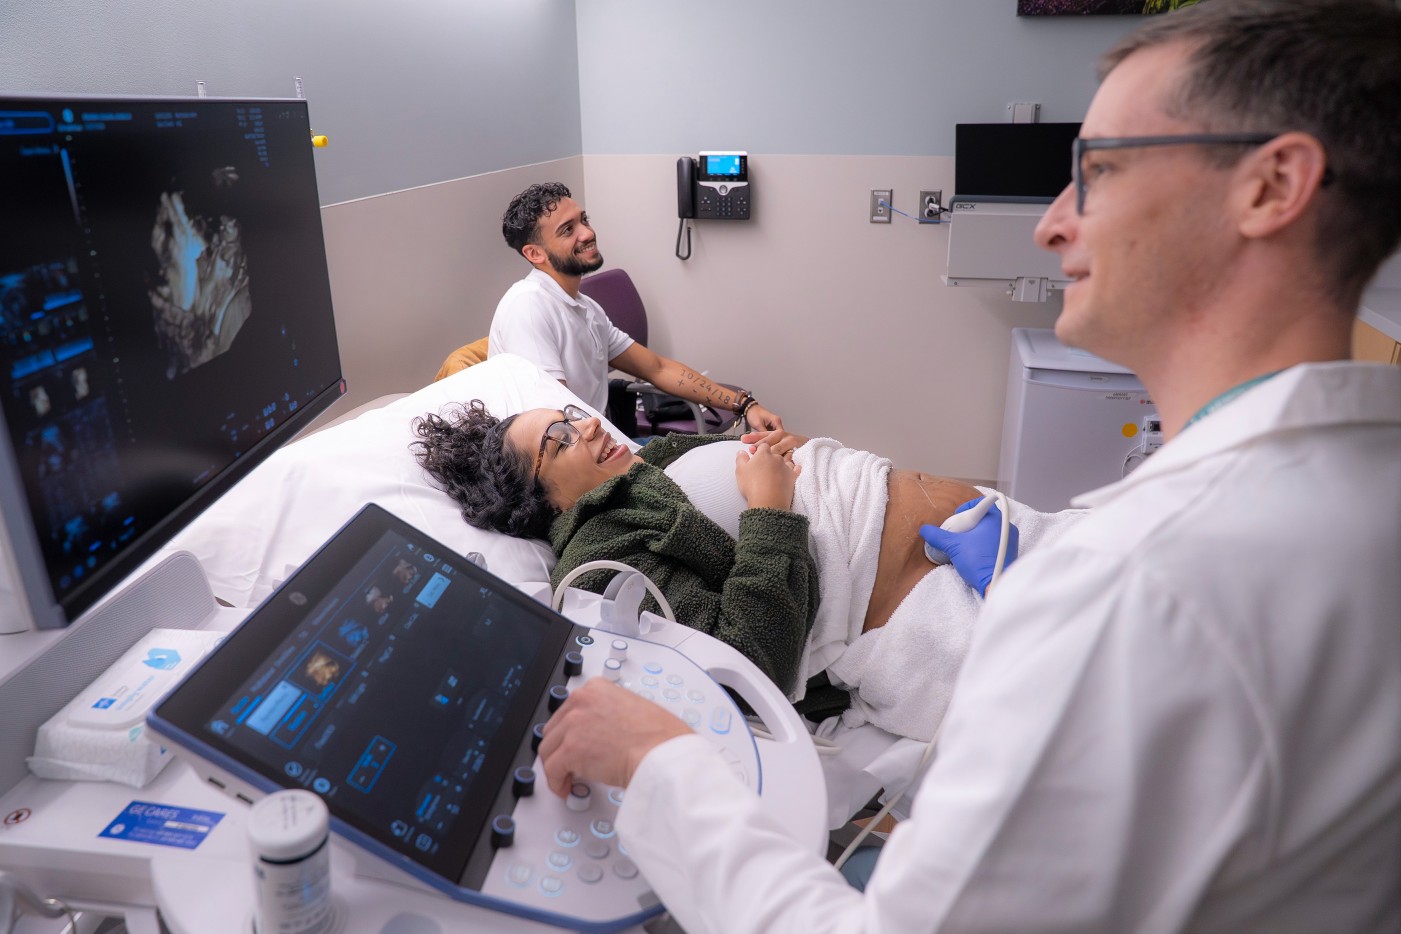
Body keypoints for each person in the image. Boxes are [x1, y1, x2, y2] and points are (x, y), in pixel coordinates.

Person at [532, 2, 1401, 931]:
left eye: (1097, 172)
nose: (1051, 224)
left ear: (1271, 187)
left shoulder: (1133, 591)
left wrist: (664, 769)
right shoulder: (1343, 484)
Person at [412, 402, 1068, 740]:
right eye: (557, 443)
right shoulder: (600, 557)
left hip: (986, 536)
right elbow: (750, 658)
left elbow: (750, 459)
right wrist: (772, 510)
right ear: (541, 499)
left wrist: (774, 449)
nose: (584, 429)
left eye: (571, 418)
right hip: (931, 609)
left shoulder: (642, 462)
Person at [489, 182, 784, 433]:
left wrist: (745, 405)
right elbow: (556, 425)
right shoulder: (528, 307)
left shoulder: (586, 308)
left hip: (603, 448)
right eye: (568, 230)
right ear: (534, 253)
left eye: (584, 220)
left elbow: (657, 368)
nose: (587, 233)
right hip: (576, 467)